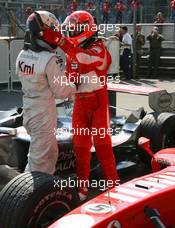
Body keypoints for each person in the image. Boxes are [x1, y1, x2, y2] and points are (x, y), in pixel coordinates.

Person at [61, 10, 119, 200]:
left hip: (98, 102)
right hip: (80, 102)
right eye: (69, 30)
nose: (70, 33)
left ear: (86, 29)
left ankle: (113, 185)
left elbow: (84, 59)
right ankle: (82, 188)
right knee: (80, 148)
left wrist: (62, 43)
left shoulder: (99, 49)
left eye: (74, 29)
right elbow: (71, 75)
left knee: (103, 147)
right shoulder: (72, 52)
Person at [16, 11, 77, 175]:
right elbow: (62, 90)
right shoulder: (49, 59)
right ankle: (30, 195)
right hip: (43, 113)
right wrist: (76, 85)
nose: (56, 32)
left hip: (29, 108)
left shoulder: (22, 55)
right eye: (54, 28)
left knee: (38, 154)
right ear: (44, 31)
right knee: (42, 160)